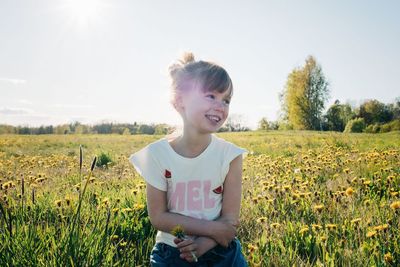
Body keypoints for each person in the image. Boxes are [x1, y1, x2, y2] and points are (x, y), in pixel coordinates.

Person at [129, 52, 248, 266]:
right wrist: (212, 230)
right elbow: (158, 217)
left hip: (220, 251)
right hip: (173, 252)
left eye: (226, 100)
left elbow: (230, 221)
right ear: (179, 100)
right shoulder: (156, 155)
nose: (221, 106)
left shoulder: (230, 156)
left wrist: (205, 243)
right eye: (211, 96)